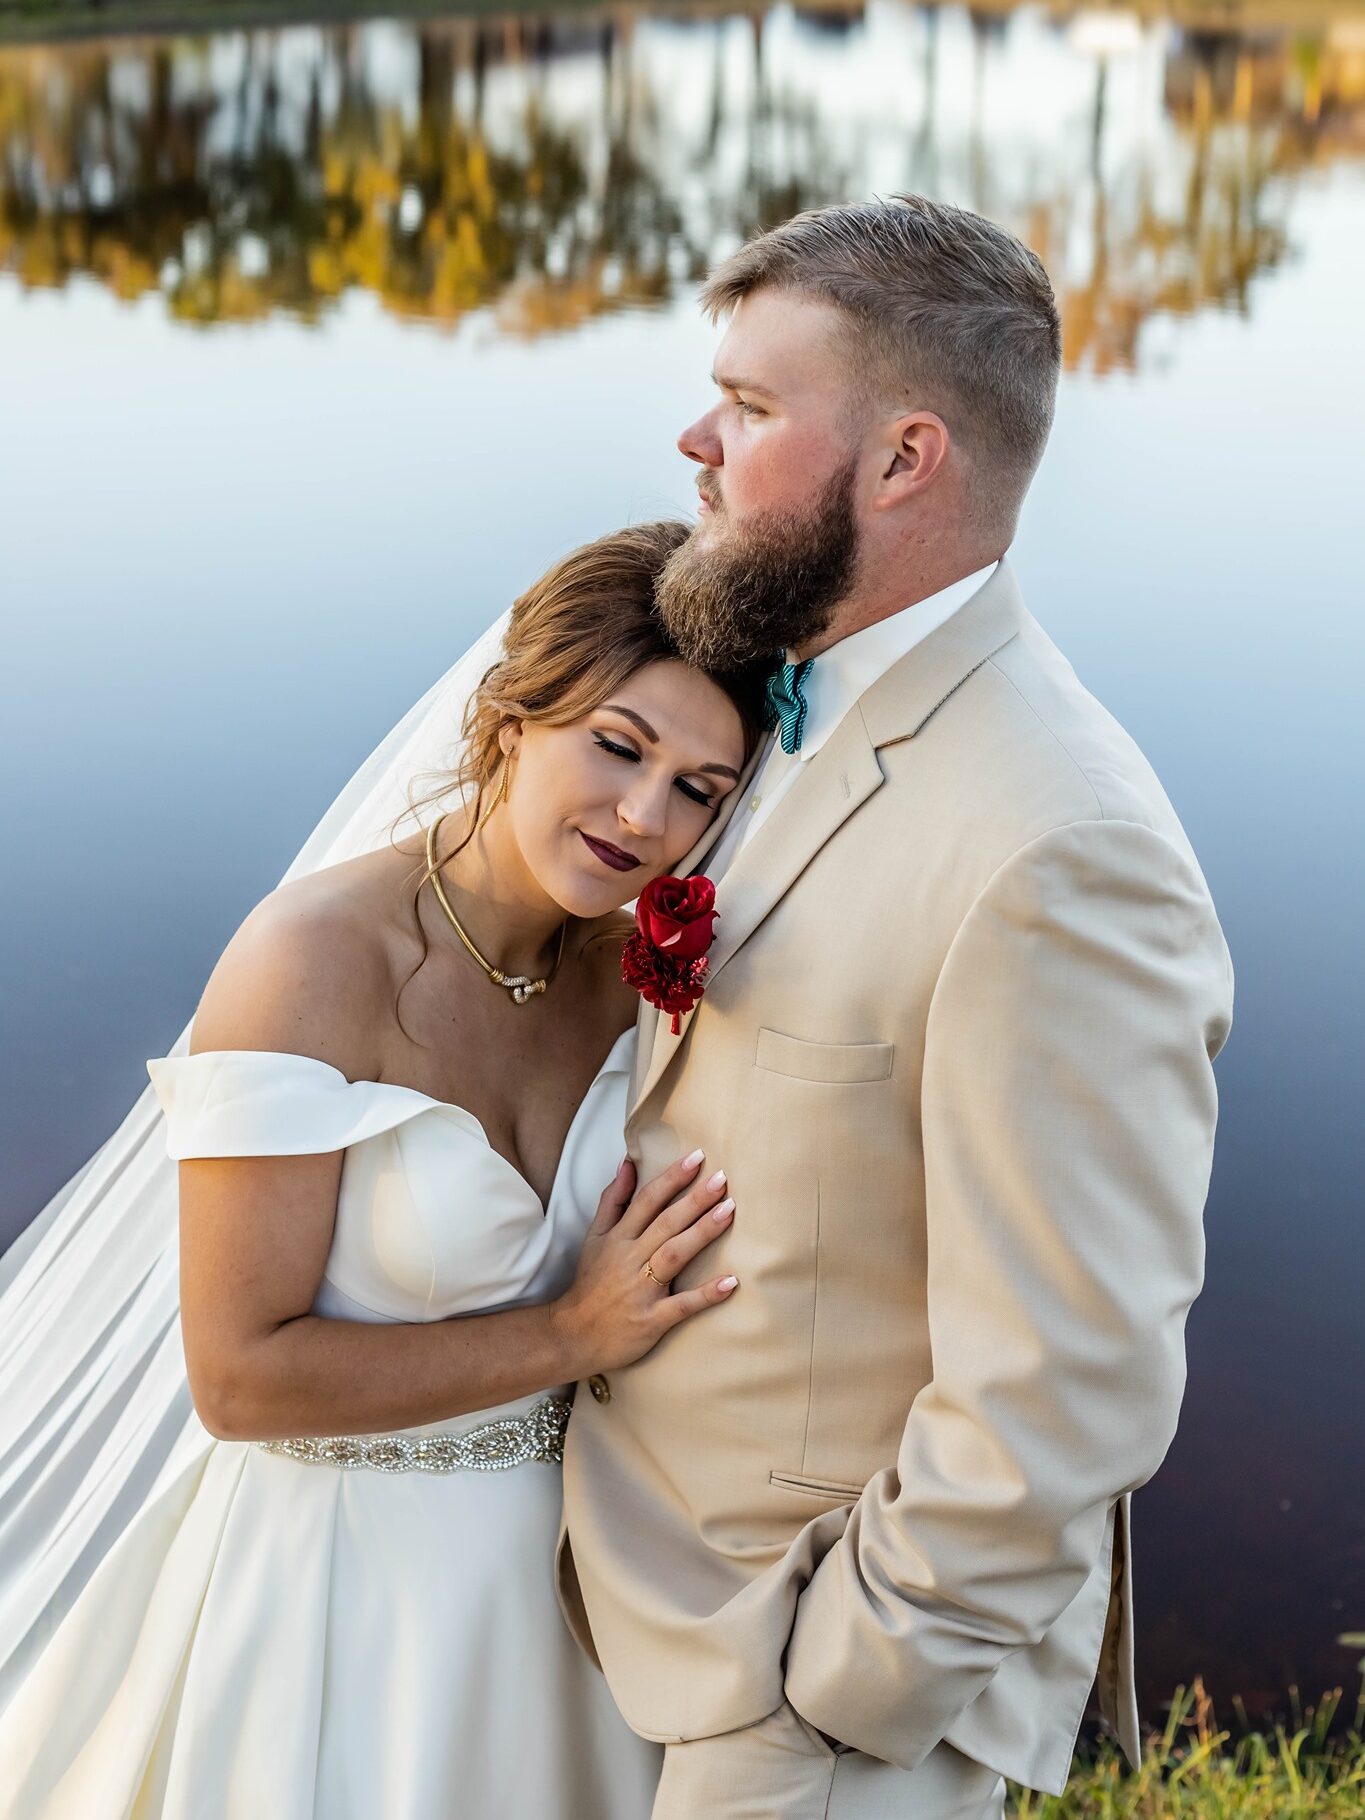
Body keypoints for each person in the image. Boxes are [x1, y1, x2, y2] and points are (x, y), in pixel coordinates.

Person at [554, 195, 1236, 1818]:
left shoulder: (1061, 853)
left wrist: (836, 1694)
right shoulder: (761, 686)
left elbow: (1066, 1388)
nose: (693, 439)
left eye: (753, 406)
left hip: (802, 1696)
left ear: (906, 459)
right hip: (624, 1586)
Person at [0, 520, 769, 1819]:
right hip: (334, 1591)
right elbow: (239, 1378)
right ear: (514, 714)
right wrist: (574, 1329)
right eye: (619, 747)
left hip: (576, 1593)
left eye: (700, 788)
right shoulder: (313, 963)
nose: (645, 818)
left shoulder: (630, 969)